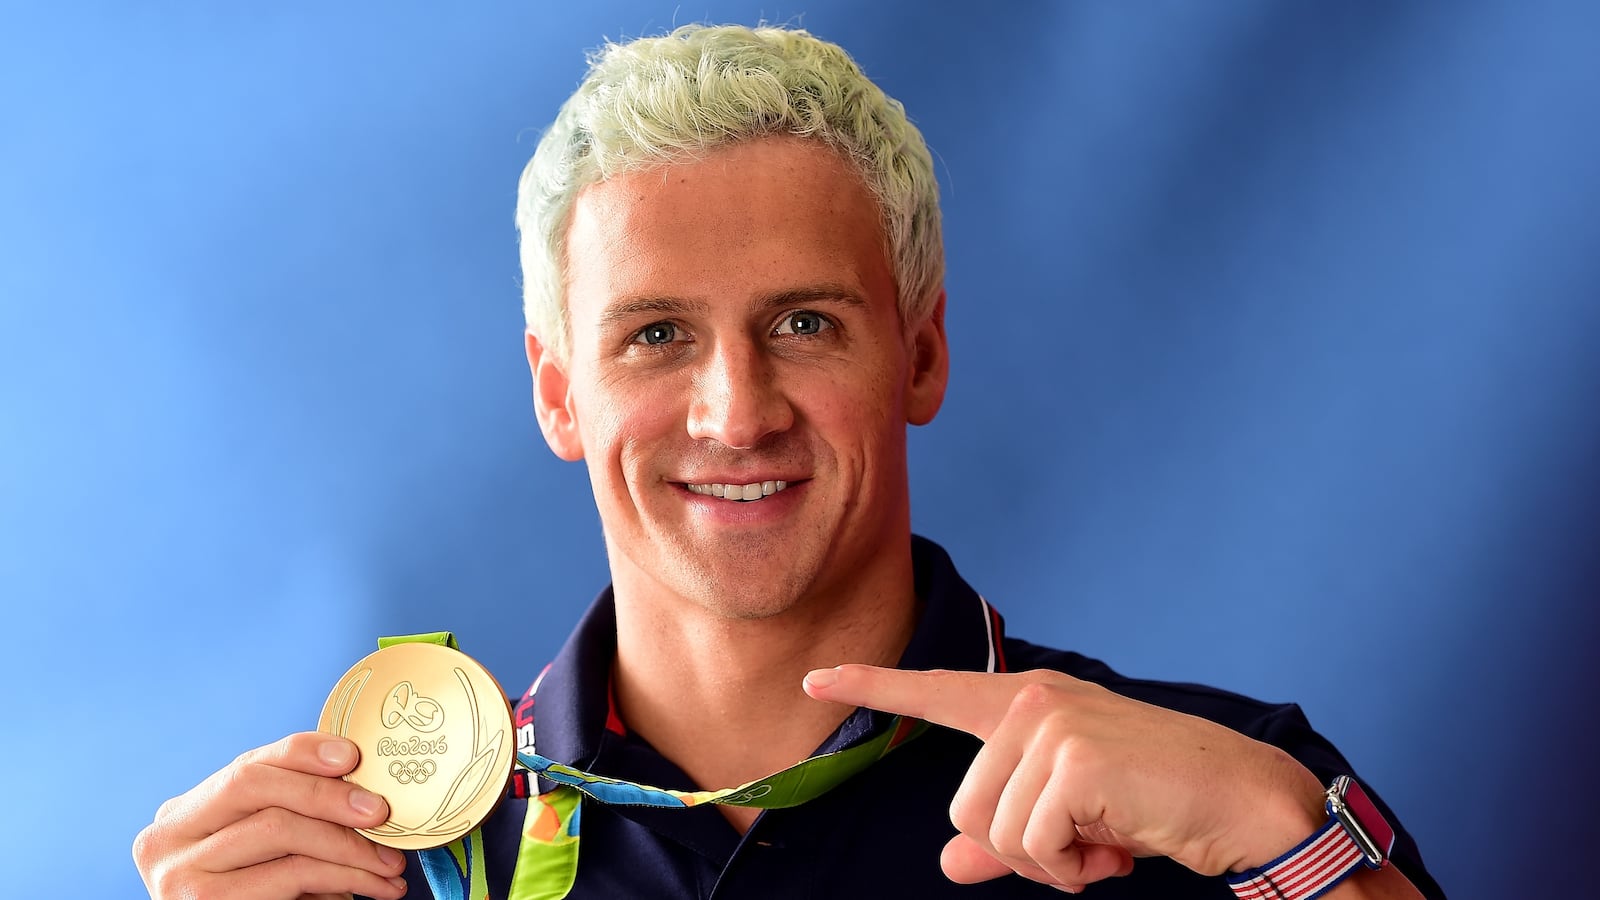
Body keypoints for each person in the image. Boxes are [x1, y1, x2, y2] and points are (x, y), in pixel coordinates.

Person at [134, 24, 1444, 900]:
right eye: (655, 335)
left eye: (803, 324)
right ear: (559, 393)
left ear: (922, 356)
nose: (736, 411)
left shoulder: (1227, 800)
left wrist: (1293, 850)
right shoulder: (378, 867)